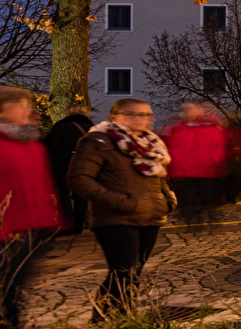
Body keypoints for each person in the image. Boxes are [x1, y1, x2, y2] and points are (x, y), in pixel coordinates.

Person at [67, 96, 175, 319]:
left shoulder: (150, 143)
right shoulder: (98, 141)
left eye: (145, 114)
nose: (140, 119)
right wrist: (119, 201)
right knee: (122, 272)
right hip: (116, 218)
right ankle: (105, 318)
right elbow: (79, 179)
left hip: (150, 215)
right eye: (132, 114)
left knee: (134, 272)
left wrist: (167, 198)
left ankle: (123, 316)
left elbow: (158, 176)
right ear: (114, 117)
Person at [0, 86, 65, 328]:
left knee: (13, 297)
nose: (28, 110)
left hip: (31, 232)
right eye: (20, 104)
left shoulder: (30, 141)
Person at [162, 103, 240, 225]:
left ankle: (208, 220)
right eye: (185, 110)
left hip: (205, 170)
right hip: (185, 171)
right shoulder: (178, 129)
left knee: (207, 199)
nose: (187, 112)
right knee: (187, 200)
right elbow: (174, 149)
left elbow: (217, 147)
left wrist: (214, 162)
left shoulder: (210, 127)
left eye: (191, 109)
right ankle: (191, 220)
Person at [42, 107, 93, 234]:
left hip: (62, 165)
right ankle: (79, 225)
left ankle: (67, 224)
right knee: (80, 196)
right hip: (84, 165)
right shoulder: (92, 129)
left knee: (63, 195)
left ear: (67, 113)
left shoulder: (61, 127)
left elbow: (49, 146)